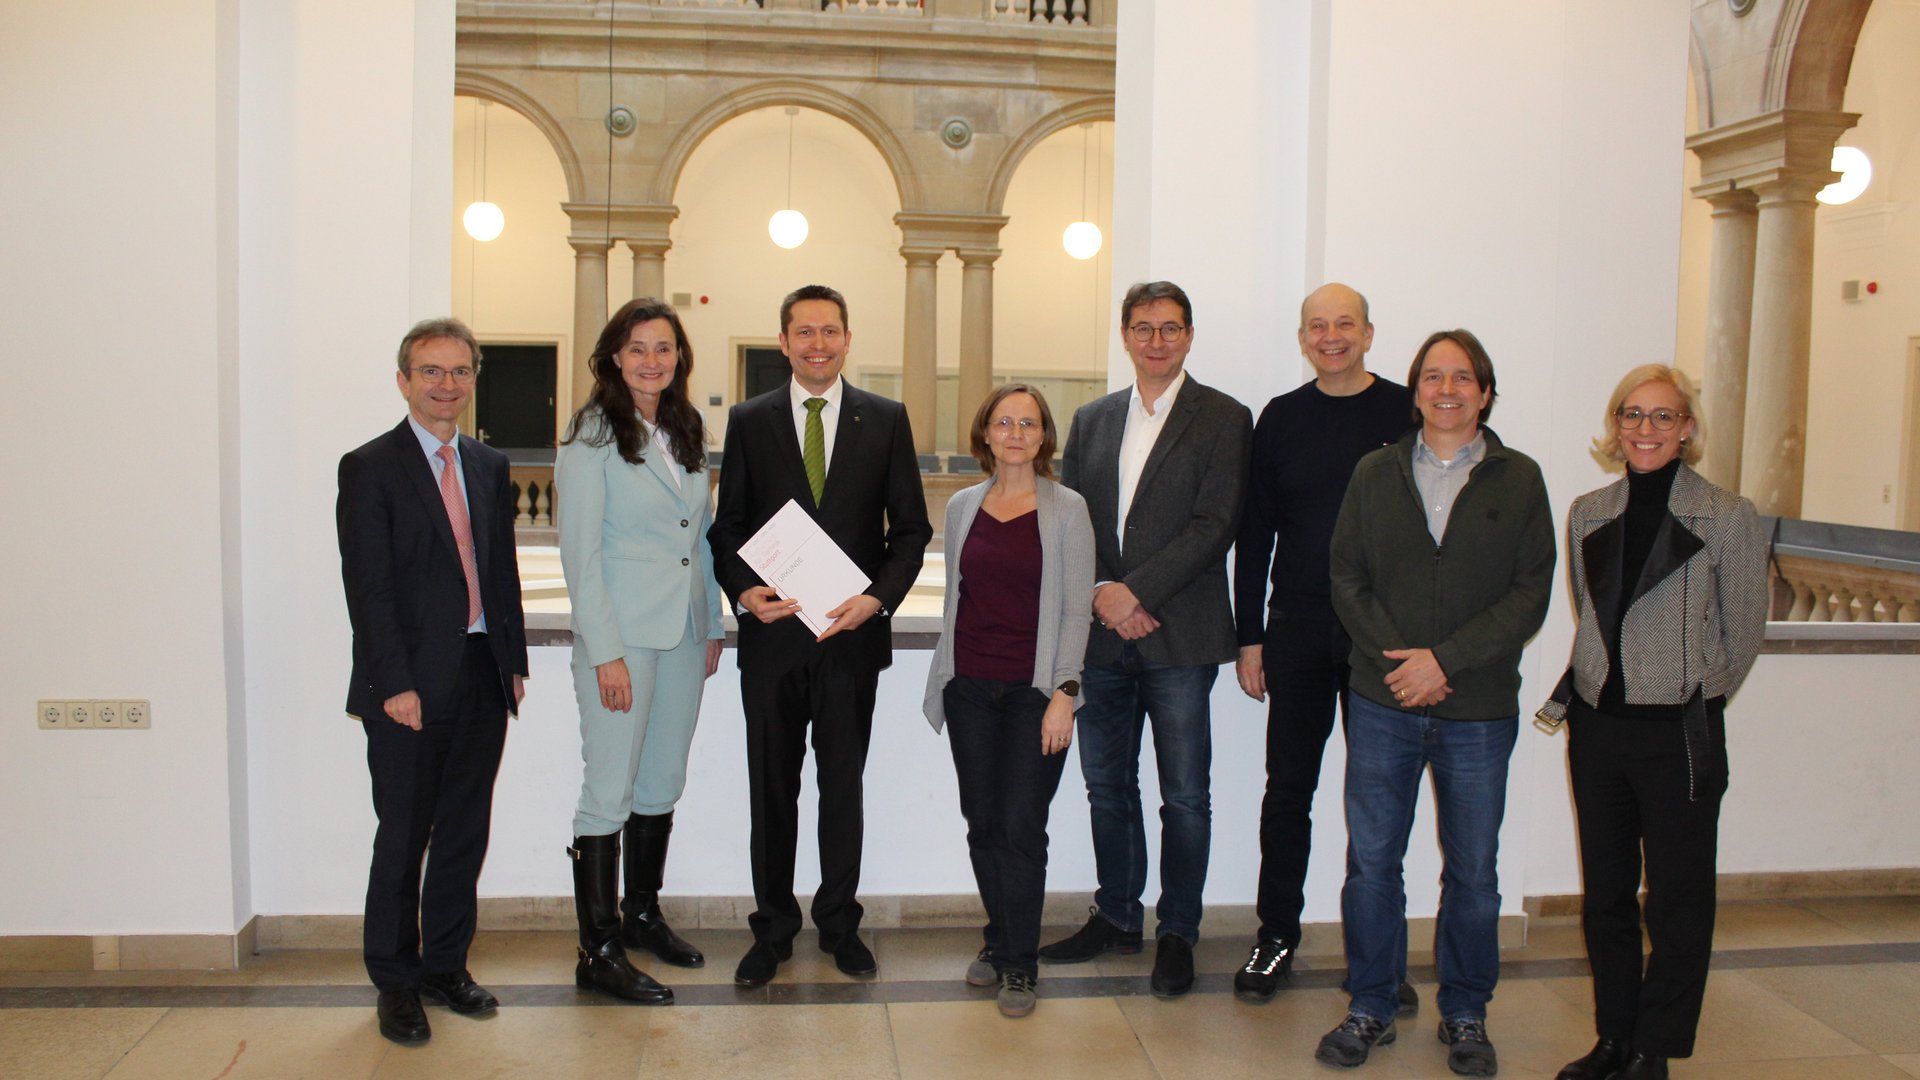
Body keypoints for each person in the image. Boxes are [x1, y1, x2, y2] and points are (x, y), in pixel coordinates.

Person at [1319, 329, 1555, 1076]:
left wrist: (1445, 661)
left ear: (1485, 392)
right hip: (1383, 701)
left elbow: (1530, 593)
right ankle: (1371, 1005)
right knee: (1372, 864)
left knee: (1474, 872)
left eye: (1461, 377)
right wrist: (1404, 666)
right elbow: (1346, 576)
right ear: (1415, 390)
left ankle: (1465, 1013)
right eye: (1432, 376)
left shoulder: (1520, 479)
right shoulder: (1374, 472)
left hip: (1477, 708)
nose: (1446, 389)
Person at [708, 284, 933, 987]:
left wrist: (876, 600)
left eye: (829, 331)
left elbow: (911, 530)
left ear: (847, 339)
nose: (817, 344)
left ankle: (839, 925)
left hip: (849, 642)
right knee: (771, 794)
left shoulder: (886, 419)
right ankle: (772, 930)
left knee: (842, 791)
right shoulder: (749, 420)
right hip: (773, 643)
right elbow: (727, 528)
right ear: (783, 342)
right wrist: (744, 592)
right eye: (803, 332)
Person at [1547, 366, 1768, 1080]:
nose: (1646, 429)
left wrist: (1689, 685)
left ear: (1687, 429)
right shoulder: (1587, 511)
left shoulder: (1727, 516)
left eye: (1663, 416)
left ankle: (1654, 1047)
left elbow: (1744, 631)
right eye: (1633, 415)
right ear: (1616, 426)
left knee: (1678, 899)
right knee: (1607, 896)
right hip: (1599, 730)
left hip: (1679, 733)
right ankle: (1614, 1037)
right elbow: (1591, 611)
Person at [1042, 280, 1252, 999]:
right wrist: (1105, 591)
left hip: (1180, 636)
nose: (1156, 340)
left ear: (1188, 335)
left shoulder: (1224, 417)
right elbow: (1071, 519)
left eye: (1169, 328)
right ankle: (1117, 915)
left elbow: (1216, 523)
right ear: (1125, 335)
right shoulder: (1092, 419)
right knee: (1107, 787)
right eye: (1142, 327)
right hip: (1104, 638)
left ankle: (1178, 932)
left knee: (1185, 796)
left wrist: (1137, 592)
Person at [336, 317, 528, 1046]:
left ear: (473, 380)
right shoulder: (370, 467)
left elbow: (499, 571)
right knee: (403, 837)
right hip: (408, 687)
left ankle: (446, 966)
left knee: (462, 835)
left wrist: (511, 662)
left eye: (459, 371)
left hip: (481, 675)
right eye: (431, 371)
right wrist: (394, 683)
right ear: (403, 381)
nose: (446, 384)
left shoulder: (488, 464)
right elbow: (369, 588)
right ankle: (395, 981)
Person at [1231, 283, 1416, 1007]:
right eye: (1317, 326)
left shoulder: (1406, 412)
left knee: (1381, 799)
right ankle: (1275, 935)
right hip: (1299, 628)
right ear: (1303, 337)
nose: (1331, 336)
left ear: (1368, 333)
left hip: (1384, 636)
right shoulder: (1281, 417)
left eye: (1344, 324)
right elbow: (1255, 534)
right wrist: (1250, 637)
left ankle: (1381, 956)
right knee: (1288, 792)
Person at [555, 298, 726, 1006]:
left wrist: (711, 624)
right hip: (622, 639)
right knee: (609, 790)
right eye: (637, 349)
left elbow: (700, 536)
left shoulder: (685, 430)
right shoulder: (592, 434)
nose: (651, 361)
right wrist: (604, 651)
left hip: (683, 633)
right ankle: (597, 953)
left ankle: (642, 916)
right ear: (613, 359)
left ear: (679, 357)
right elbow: (580, 553)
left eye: (663, 348)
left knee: (660, 782)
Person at [923, 384, 1095, 1019]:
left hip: (1035, 692)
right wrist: (948, 681)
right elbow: (958, 596)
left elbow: (1076, 609)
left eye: (1028, 423)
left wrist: (1065, 693)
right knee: (983, 823)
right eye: (1004, 422)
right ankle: (998, 941)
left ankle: (1020, 964)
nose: (1016, 433)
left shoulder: (1068, 508)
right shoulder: (962, 506)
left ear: (1044, 435)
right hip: (969, 687)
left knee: (1021, 826)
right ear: (985, 434)